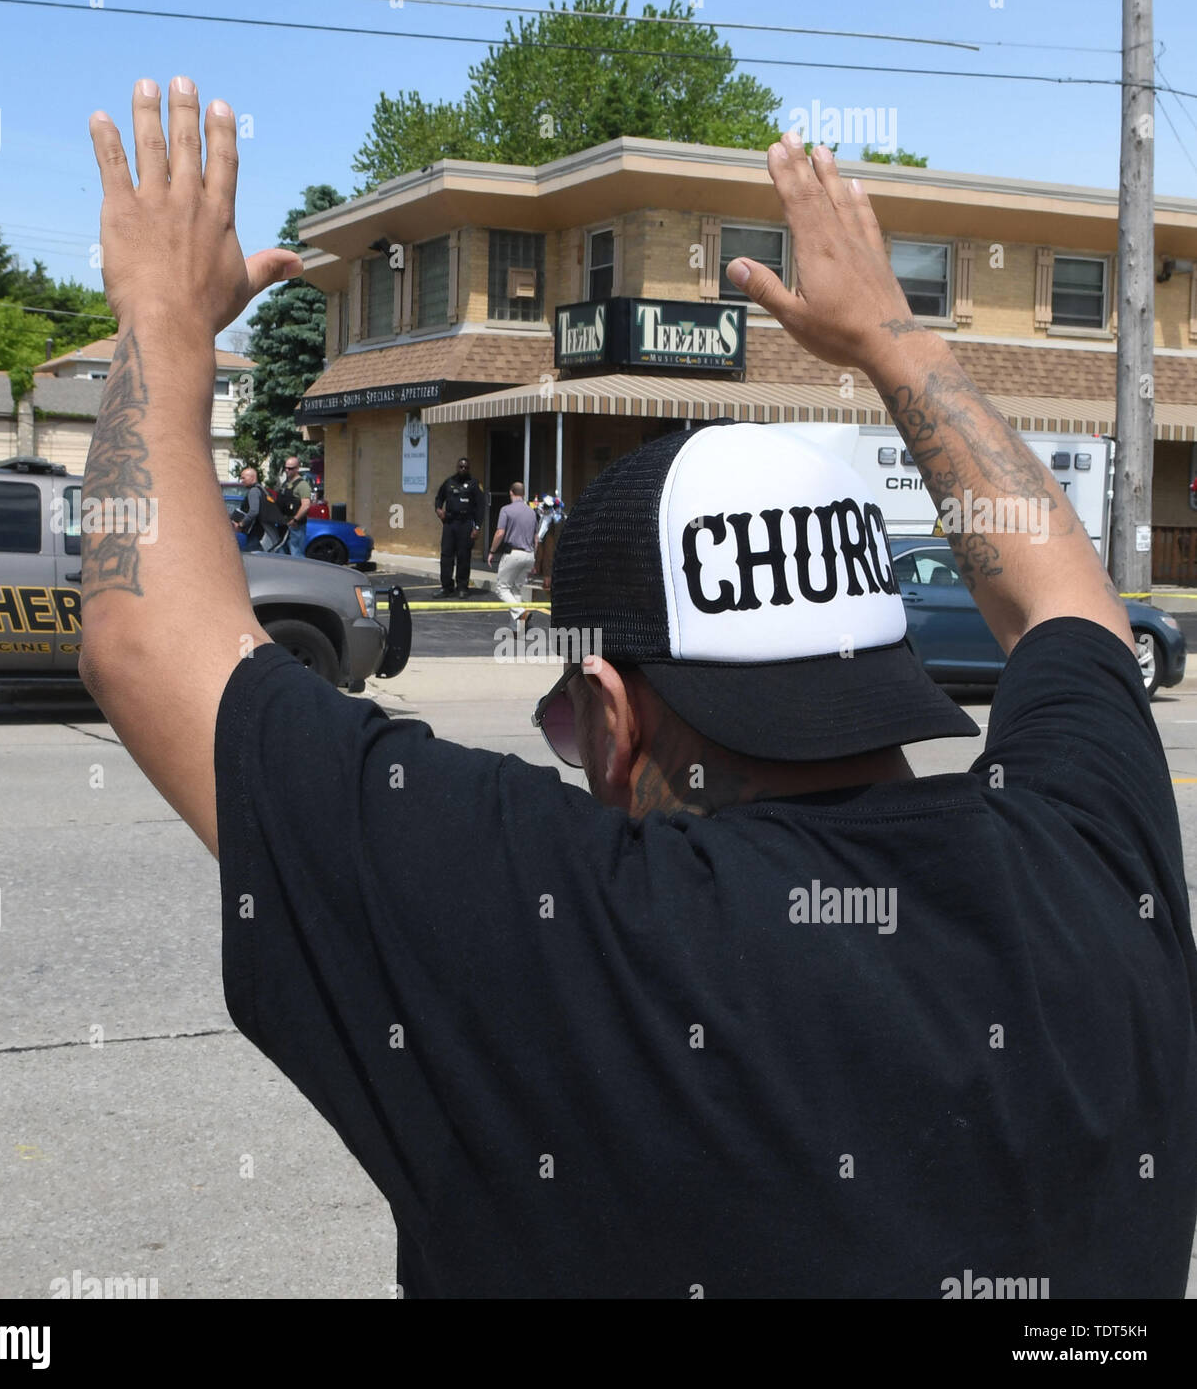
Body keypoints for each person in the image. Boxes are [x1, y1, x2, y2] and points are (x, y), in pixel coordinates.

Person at [79, 85, 1197, 1299]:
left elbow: (150, 644)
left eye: (569, 720)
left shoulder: (567, 939)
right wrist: (894, 336)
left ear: (613, 718)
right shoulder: (1091, 856)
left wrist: (157, 320)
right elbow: (1065, 604)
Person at [486, 481, 538, 627]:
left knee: (502, 588)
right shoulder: (532, 512)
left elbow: (500, 533)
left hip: (513, 554)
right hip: (529, 555)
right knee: (515, 589)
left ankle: (522, 612)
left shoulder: (506, 510)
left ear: (511, 493)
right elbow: (536, 539)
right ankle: (517, 629)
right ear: (524, 494)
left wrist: (492, 551)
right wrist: (535, 559)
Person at [433, 457, 484, 597]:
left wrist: (477, 527)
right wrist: (438, 510)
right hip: (450, 523)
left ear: (469, 469)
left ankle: (462, 587)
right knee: (446, 556)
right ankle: (446, 587)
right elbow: (439, 498)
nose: (463, 469)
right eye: (461, 467)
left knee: (463, 556)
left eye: (466, 467)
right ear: (457, 467)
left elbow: (480, 507)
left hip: (466, 524)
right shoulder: (449, 482)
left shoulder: (474, 484)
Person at [231, 465, 284, 552]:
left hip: (257, 535)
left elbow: (254, 511)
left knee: (252, 558)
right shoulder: (262, 489)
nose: (242, 481)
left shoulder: (254, 491)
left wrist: (241, 524)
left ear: (252, 477)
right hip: (264, 533)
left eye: (244, 478)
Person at [278, 455, 312, 557]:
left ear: (297, 468)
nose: (287, 470)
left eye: (290, 468)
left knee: (296, 554)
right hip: (283, 524)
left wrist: (295, 520)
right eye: (286, 468)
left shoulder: (302, 485)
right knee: (282, 554)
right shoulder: (285, 483)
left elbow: (306, 505)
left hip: (295, 526)